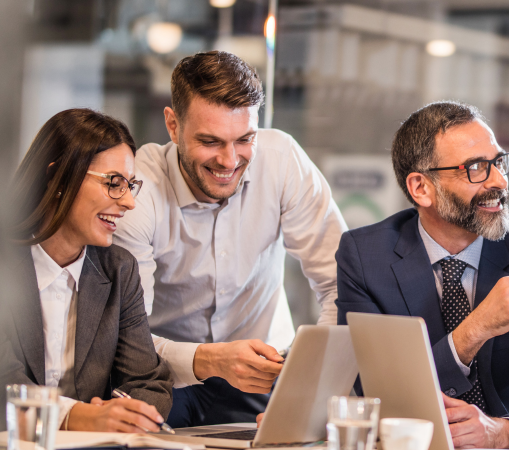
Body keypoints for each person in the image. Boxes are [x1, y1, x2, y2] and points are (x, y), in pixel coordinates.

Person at [112, 51, 347, 427]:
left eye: (244, 139)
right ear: (172, 126)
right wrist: (209, 360)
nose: (229, 160)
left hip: (268, 378)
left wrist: (307, 378)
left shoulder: (282, 159)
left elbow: (342, 285)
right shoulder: (137, 192)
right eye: (210, 141)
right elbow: (125, 338)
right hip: (164, 379)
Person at [335, 101, 509, 450]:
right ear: (421, 188)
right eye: (477, 168)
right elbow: (374, 396)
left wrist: (500, 432)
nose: (499, 181)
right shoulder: (364, 257)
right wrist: (474, 329)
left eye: (498, 162)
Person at [0, 108, 172, 432]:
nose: (129, 202)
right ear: (58, 177)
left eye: (130, 185)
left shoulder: (119, 270)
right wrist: (80, 417)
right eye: (113, 183)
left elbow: (149, 383)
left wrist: (124, 413)